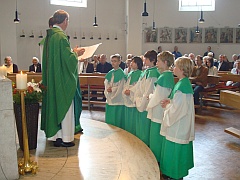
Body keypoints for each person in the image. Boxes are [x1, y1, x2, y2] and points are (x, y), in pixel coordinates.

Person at [41, 10, 85, 147]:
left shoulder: (49, 37)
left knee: (54, 105)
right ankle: (66, 138)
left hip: (52, 79)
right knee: (66, 106)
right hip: (61, 79)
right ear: (65, 20)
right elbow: (68, 60)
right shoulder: (61, 37)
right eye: (68, 21)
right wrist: (76, 53)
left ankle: (56, 137)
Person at [160, 57, 195, 180]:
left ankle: (175, 175)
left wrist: (167, 105)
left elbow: (178, 110)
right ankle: (173, 173)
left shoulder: (182, 85)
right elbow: (178, 103)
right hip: (179, 123)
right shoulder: (182, 83)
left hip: (178, 125)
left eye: (175, 66)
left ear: (181, 69)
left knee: (175, 150)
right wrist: (170, 101)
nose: (173, 68)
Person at [146, 51, 175, 166]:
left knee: (156, 138)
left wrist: (149, 97)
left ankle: (156, 159)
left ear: (165, 62)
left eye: (158, 61)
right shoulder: (166, 75)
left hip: (158, 111)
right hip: (159, 109)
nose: (156, 63)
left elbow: (158, 96)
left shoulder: (164, 76)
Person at [134, 50, 160, 146]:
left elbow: (148, 91)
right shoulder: (147, 71)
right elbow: (139, 86)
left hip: (145, 104)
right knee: (140, 129)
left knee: (145, 129)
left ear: (152, 60)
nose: (144, 61)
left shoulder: (153, 73)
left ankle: (144, 146)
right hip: (140, 100)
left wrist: (141, 103)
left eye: (146, 59)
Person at [122, 56, 143, 135]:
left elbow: (138, 86)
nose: (131, 63)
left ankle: (133, 133)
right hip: (128, 96)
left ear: (138, 64)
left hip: (133, 96)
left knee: (133, 120)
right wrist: (125, 90)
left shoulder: (141, 74)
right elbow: (126, 83)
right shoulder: (130, 73)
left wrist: (130, 91)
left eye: (133, 62)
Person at [104, 54, 125, 128]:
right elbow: (106, 83)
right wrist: (108, 89)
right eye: (112, 61)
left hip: (117, 98)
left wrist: (112, 90)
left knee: (116, 119)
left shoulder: (121, 73)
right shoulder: (110, 72)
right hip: (110, 97)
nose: (113, 63)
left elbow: (120, 87)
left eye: (115, 61)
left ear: (119, 62)